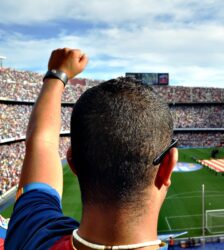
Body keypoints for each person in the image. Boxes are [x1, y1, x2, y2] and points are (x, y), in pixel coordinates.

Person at [5, 48, 178, 249]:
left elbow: (41, 142)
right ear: (168, 166)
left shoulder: (33, 230)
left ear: (72, 163)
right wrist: (57, 74)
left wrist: (57, 74)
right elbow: (41, 143)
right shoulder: (33, 227)